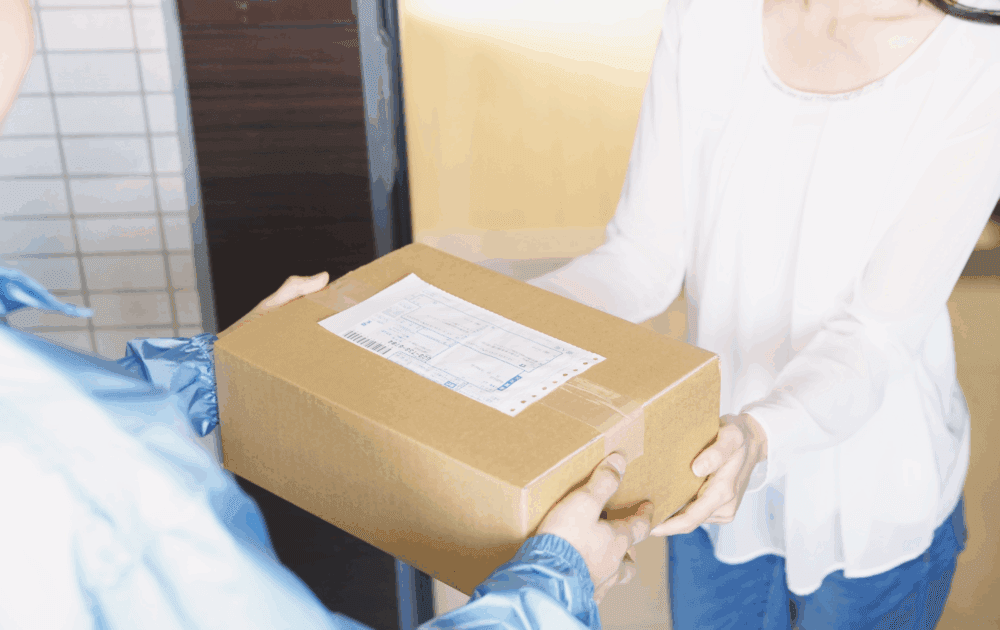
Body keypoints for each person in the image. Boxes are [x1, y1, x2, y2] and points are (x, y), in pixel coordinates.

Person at [0, 2, 653, 627]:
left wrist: (217, 368)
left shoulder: (60, 443)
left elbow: (77, 414)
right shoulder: (75, 474)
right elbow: (65, 448)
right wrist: (553, 586)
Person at [525, 0, 999, 627]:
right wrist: (501, 315)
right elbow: (642, 259)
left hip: (873, 495)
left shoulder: (977, 55)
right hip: (712, 472)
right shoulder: (707, 15)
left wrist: (760, 435)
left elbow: (874, 336)